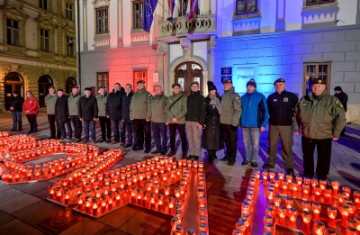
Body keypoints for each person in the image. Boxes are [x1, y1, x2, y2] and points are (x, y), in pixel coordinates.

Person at [295, 78, 346, 180]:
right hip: (308, 134)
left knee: (323, 157)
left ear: (324, 88)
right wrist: (296, 127)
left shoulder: (332, 100)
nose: (316, 88)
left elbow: (341, 117)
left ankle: (322, 175)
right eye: (314, 86)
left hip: (324, 135)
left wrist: (336, 133)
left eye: (319, 86)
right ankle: (308, 173)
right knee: (307, 156)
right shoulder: (304, 99)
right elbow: (296, 114)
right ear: (311, 87)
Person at [263, 78, 299, 177]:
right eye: (276, 85)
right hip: (273, 126)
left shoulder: (291, 97)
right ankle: (271, 163)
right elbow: (266, 111)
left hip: (286, 126)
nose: (278, 86)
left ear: (285, 85)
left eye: (280, 84)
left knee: (287, 146)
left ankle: (289, 166)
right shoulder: (271, 97)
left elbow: (297, 112)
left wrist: (296, 126)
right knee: (272, 145)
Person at [240, 79, 269, 168]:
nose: (249, 87)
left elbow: (265, 111)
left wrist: (263, 124)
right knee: (246, 143)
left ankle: (254, 160)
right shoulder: (243, 97)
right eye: (248, 86)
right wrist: (239, 122)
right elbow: (240, 111)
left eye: (251, 86)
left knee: (255, 144)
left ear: (255, 87)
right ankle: (247, 159)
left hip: (255, 125)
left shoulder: (260, 97)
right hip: (244, 125)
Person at [220, 79, 242, 166]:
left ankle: (232, 158)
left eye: (228, 84)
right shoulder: (223, 95)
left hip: (231, 123)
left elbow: (238, 110)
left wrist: (234, 123)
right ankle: (227, 155)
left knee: (232, 141)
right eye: (225, 84)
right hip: (223, 122)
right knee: (226, 141)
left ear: (231, 85)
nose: (226, 85)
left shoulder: (235, 96)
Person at [202, 81, 223, 163]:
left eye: (214, 90)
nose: (212, 91)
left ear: (216, 91)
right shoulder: (206, 100)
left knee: (216, 138)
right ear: (209, 91)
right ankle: (210, 155)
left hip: (218, 121)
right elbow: (203, 111)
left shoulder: (220, 99)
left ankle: (214, 153)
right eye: (211, 90)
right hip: (209, 121)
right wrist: (203, 122)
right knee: (208, 138)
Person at [185, 81, 206, 161]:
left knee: (196, 138)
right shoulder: (188, 97)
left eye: (196, 86)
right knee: (190, 138)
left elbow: (203, 111)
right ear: (191, 88)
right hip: (188, 121)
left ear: (198, 87)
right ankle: (191, 153)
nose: (194, 87)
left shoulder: (201, 97)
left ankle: (196, 154)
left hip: (196, 122)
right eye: (193, 86)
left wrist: (201, 123)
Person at [166, 83, 188, 158]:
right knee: (171, 136)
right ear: (173, 89)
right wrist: (172, 118)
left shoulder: (184, 98)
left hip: (180, 120)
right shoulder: (169, 98)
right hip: (171, 120)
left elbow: (185, 109)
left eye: (177, 88)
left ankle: (184, 151)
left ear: (180, 89)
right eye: (174, 88)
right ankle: (172, 150)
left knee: (182, 136)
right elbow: (166, 108)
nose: (176, 89)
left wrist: (177, 118)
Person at [130, 80, 152, 153]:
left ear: (144, 85)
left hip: (145, 118)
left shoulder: (147, 94)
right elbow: (131, 106)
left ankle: (148, 147)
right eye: (138, 84)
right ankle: (140, 145)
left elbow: (150, 106)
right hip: (136, 117)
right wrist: (131, 114)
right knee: (138, 133)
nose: (139, 85)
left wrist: (148, 116)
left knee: (147, 133)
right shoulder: (134, 94)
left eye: (141, 84)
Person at [150, 85, 168, 155]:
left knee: (163, 135)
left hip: (162, 121)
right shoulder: (153, 98)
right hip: (154, 120)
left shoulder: (165, 98)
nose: (157, 90)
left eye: (159, 89)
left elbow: (167, 110)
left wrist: (167, 119)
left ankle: (164, 148)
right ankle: (158, 148)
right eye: (156, 89)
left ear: (162, 90)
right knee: (156, 135)